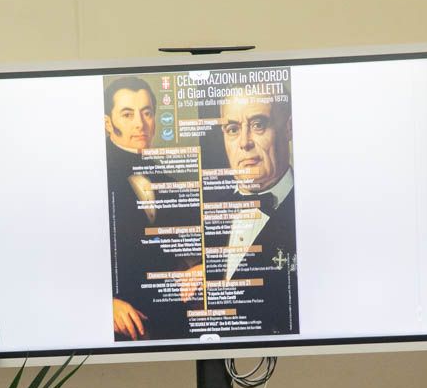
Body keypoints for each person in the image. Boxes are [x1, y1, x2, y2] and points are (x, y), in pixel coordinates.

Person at [104, 76, 200, 340]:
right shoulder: (89, 175)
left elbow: (204, 235)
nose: (140, 123)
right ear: (108, 123)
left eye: (146, 113)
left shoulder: (167, 179)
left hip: (169, 320)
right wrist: (104, 303)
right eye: (127, 114)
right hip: (117, 329)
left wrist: (203, 267)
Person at [203, 92, 299, 335]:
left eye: (258, 125)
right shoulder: (201, 211)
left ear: (288, 128)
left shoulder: (314, 208)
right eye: (233, 129)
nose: (244, 142)